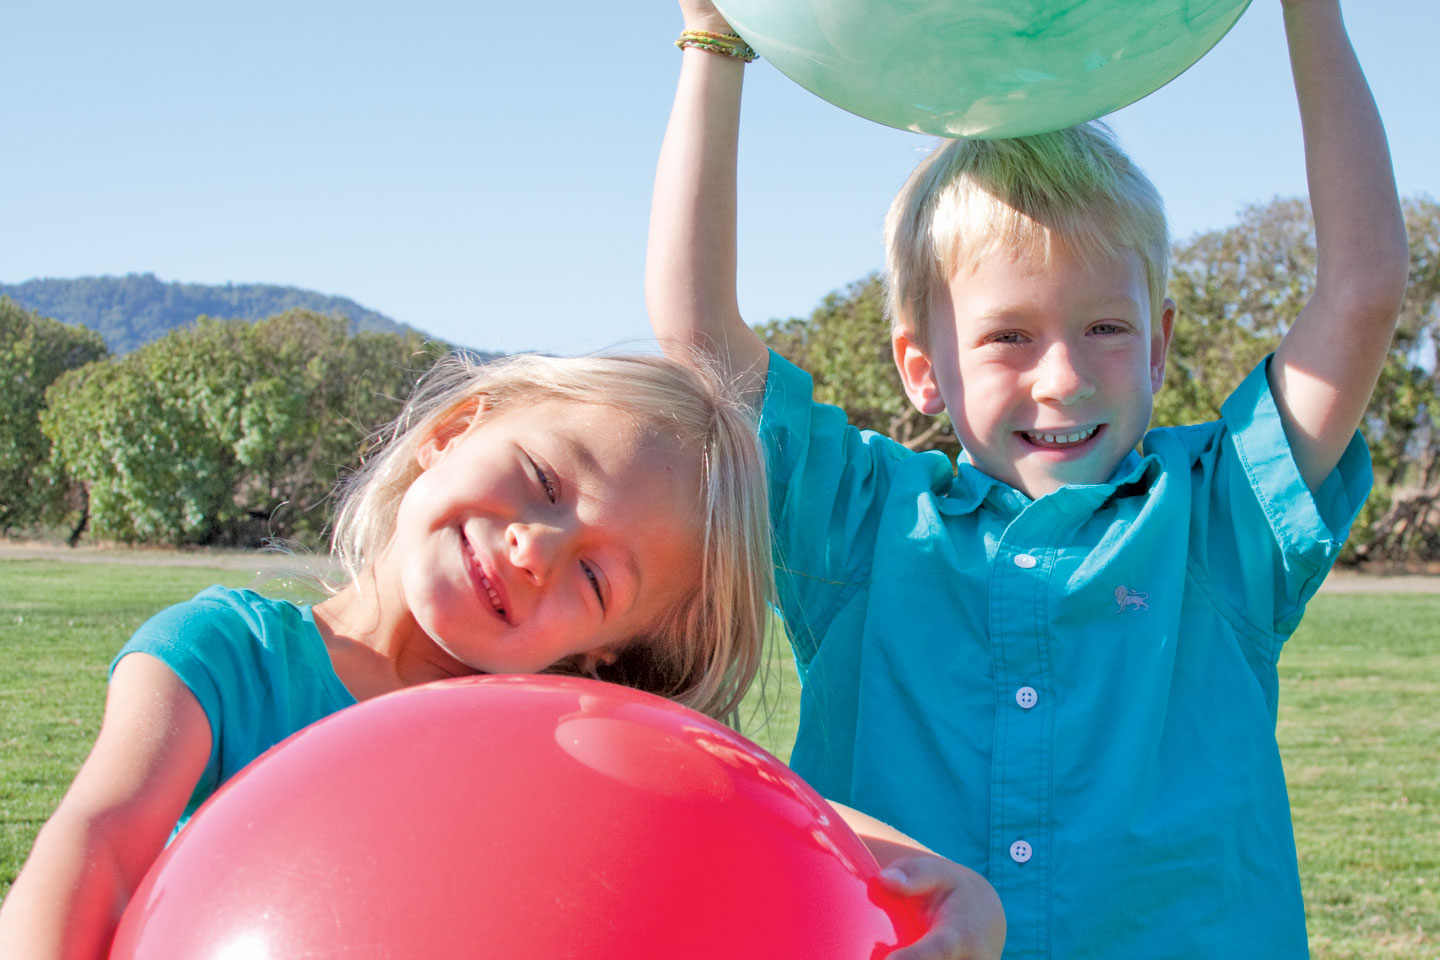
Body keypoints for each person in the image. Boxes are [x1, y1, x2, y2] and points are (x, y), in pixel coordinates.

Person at [647, 1, 1408, 957]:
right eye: (1008, 335)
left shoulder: (1220, 518)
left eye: (1106, 328)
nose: (1065, 376)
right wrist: (715, 40)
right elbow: (696, 338)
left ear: (1161, 343)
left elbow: (1364, 288)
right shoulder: (861, 524)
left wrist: (1313, 13)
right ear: (923, 367)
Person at [0, 350, 789, 959]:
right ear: (451, 433)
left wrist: (909, 879)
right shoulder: (230, 657)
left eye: (592, 577)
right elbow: (97, 844)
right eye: (542, 478)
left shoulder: (564, 749)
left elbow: (769, 805)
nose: (533, 548)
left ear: (601, 655)